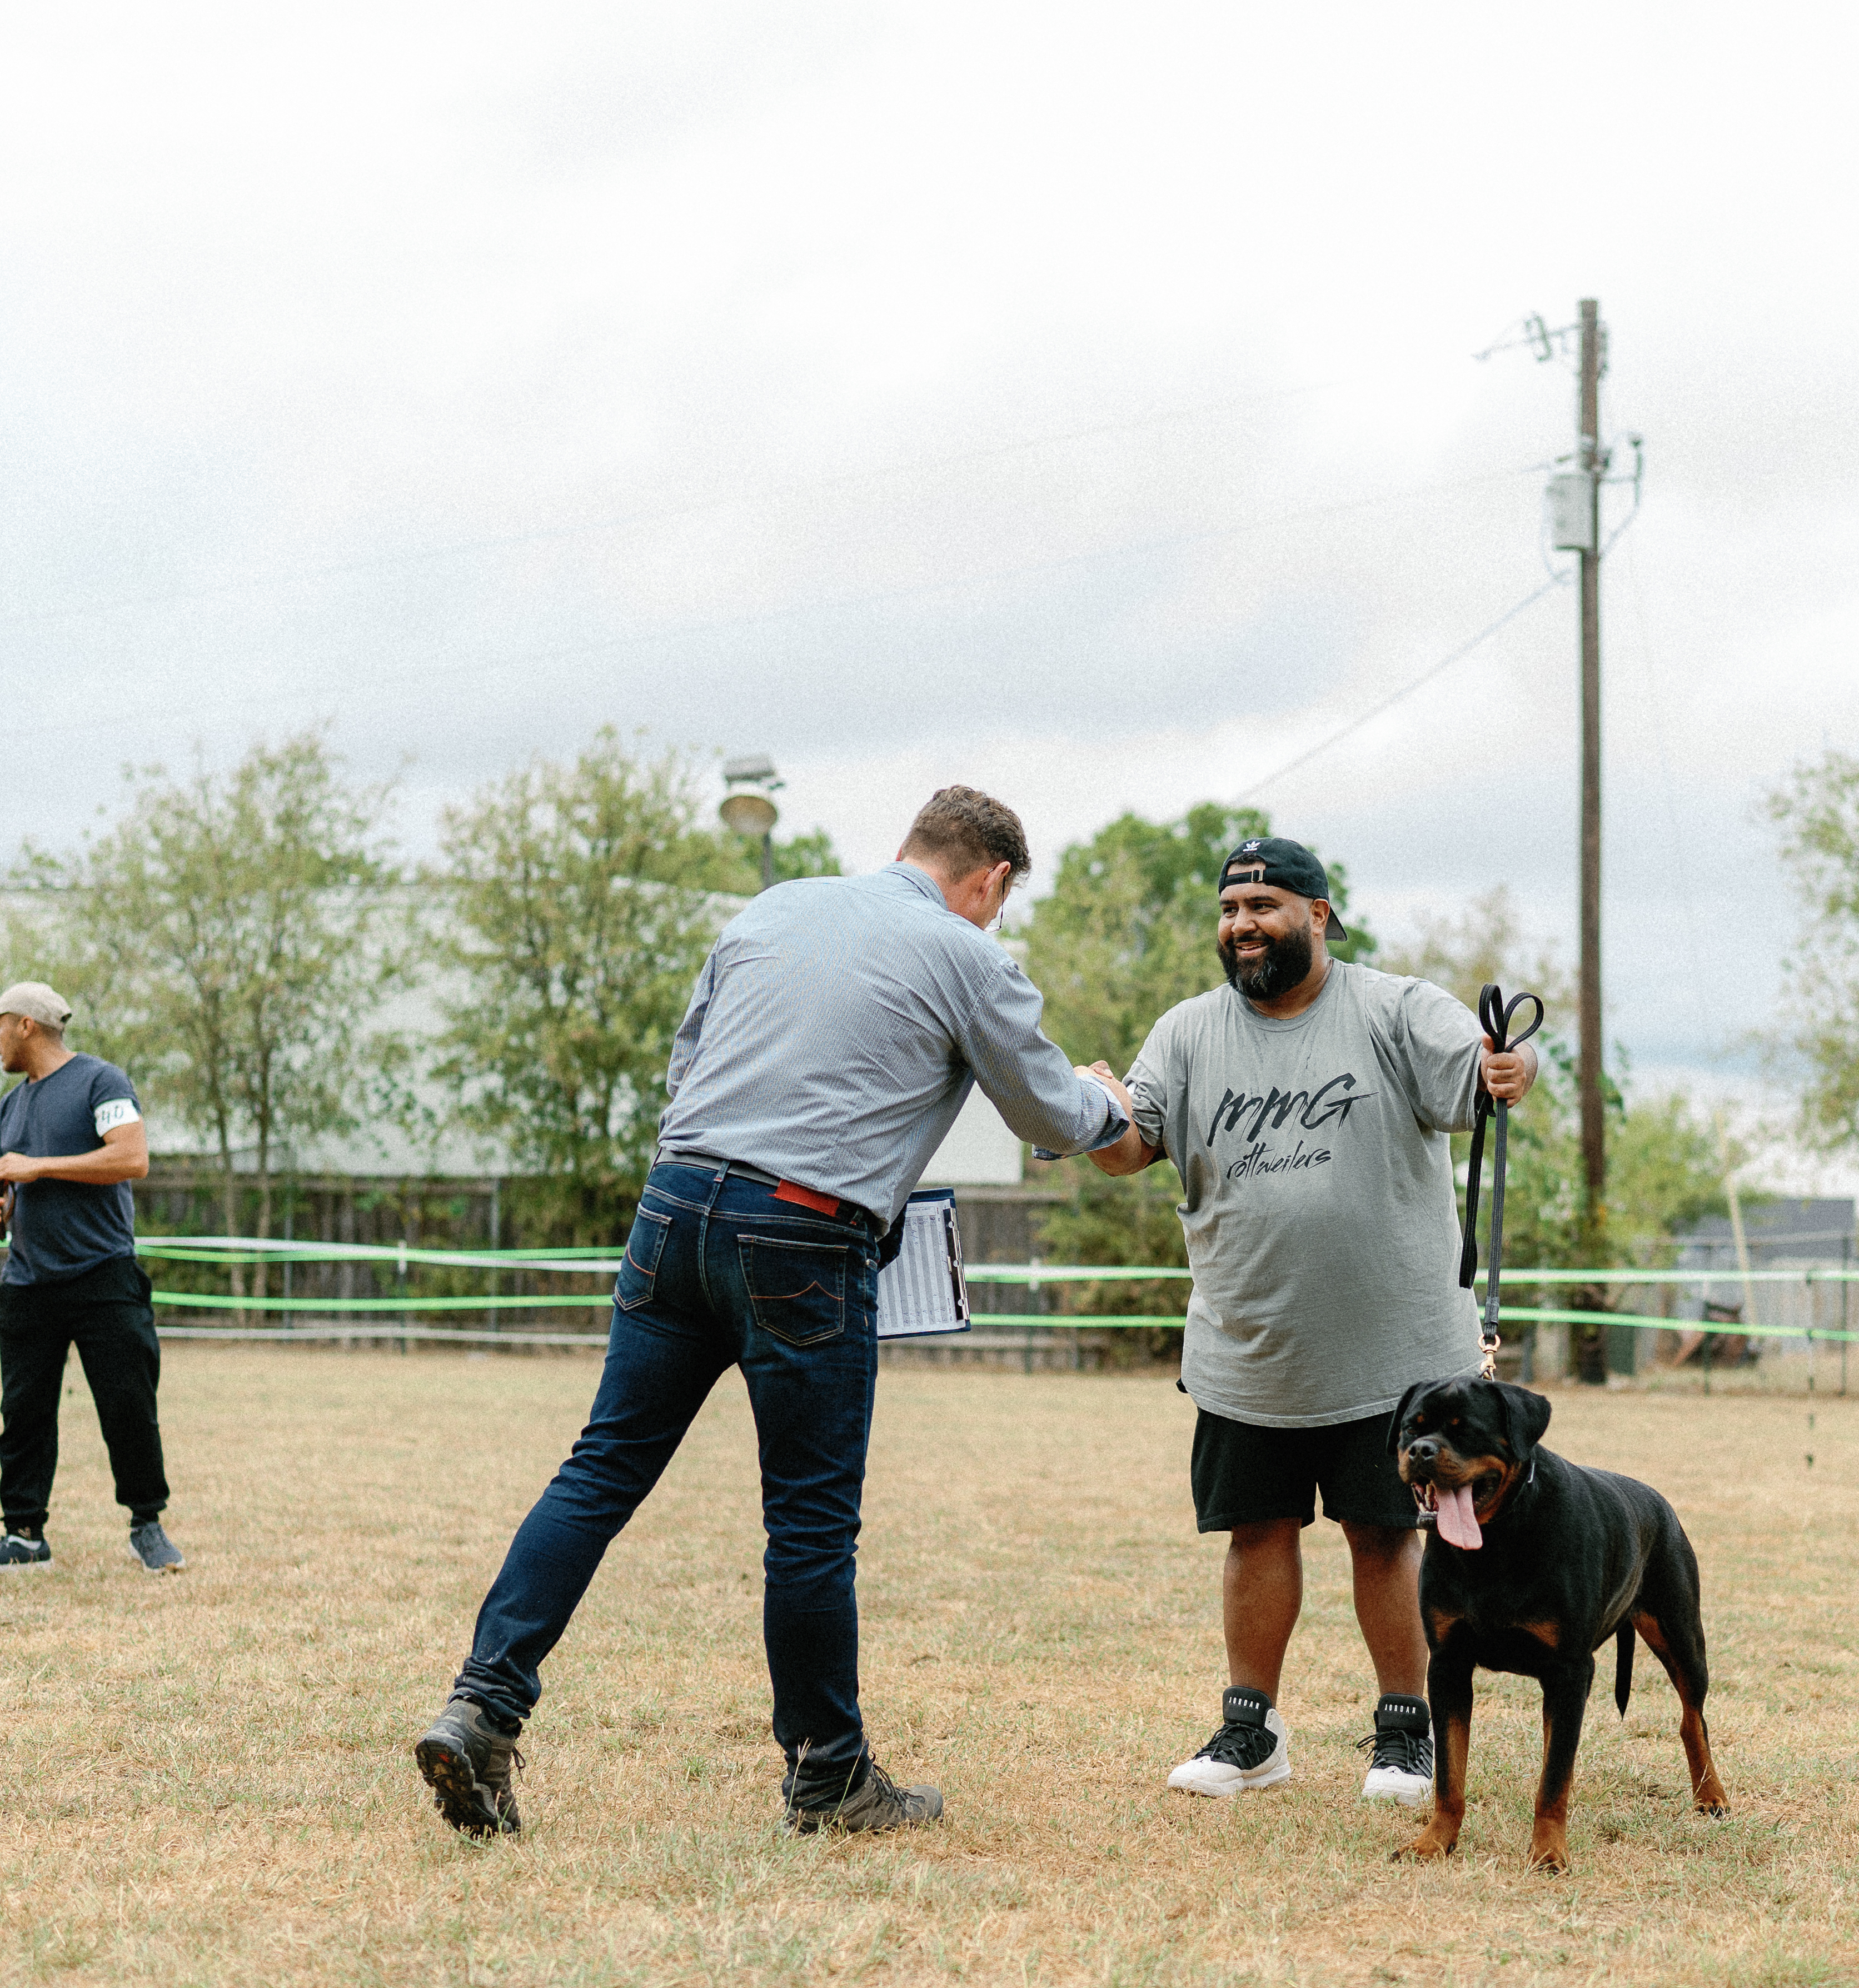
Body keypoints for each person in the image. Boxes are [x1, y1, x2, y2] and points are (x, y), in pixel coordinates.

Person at [413, 786, 1135, 1840]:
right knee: (806, 1522)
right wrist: (1104, 1095)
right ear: (989, 879)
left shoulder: (772, 909)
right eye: (998, 903)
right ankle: (828, 1775)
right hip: (800, 1233)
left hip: (674, 1204)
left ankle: (482, 1705)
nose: (992, 920)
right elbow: (1047, 1115)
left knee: (600, 1468)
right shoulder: (965, 953)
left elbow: (685, 1066)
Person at [1087, 833, 1537, 1807]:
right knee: (1255, 1532)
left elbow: (1482, 1074)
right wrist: (1091, 1111)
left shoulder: (1391, 1007)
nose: (1241, 926)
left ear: (1316, 916)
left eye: (1263, 908)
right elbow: (1131, 1146)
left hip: (1396, 1356)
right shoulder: (1185, 1033)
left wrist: (1514, 1067)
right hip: (1251, 1348)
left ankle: (1404, 1736)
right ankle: (1250, 1734)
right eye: (1229, 911)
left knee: (1384, 1537)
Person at [0, 981, 183, 1575]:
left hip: (103, 1276)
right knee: (24, 1412)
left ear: (27, 1026)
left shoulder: (101, 1082)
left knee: (128, 1406)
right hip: (28, 1282)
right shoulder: (9, 1107)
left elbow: (132, 1158)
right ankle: (25, 1535)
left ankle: (147, 1525)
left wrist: (38, 1167)